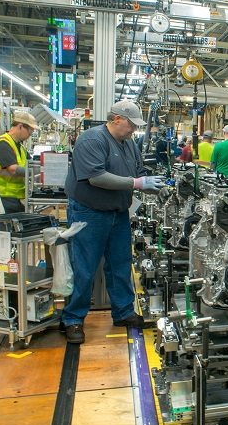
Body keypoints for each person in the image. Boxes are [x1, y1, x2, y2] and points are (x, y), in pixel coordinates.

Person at [62, 100, 162, 344]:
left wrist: (154, 186)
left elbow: (137, 174)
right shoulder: (92, 139)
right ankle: (73, 319)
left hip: (118, 213)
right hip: (89, 213)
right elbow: (96, 177)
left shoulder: (129, 144)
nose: (133, 130)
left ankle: (123, 312)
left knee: (120, 264)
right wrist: (136, 184)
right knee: (84, 267)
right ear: (117, 118)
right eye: (131, 125)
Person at [0, 110, 38, 213]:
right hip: (1, 198)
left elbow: (32, 163)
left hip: (14, 198)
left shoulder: (20, 147)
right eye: (30, 131)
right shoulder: (2, 144)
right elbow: (13, 169)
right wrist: (36, 172)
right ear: (20, 126)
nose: (30, 135)